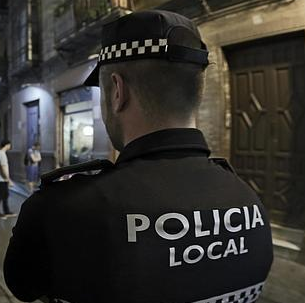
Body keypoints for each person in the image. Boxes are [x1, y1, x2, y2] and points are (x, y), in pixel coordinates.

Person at [4, 10, 273, 303]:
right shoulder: (251, 202)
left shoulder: (58, 208)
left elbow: (23, 287)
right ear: (198, 91)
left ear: (117, 92)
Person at [0, 139, 16, 219]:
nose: (10, 146)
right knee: (2, 196)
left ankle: (6, 212)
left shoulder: (2, 153)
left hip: (3, 179)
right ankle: (3, 213)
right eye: (9, 145)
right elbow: (2, 168)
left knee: (5, 196)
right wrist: (8, 180)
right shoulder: (2, 154)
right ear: (6, 145)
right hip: (2, 180)